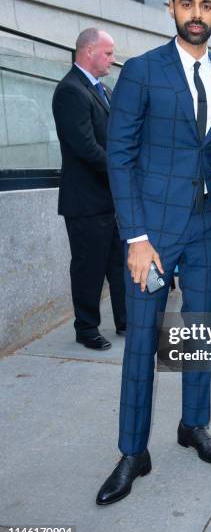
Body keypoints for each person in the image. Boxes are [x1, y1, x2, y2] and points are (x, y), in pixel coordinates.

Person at [97, 0, 211, 506]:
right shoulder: (141, 70)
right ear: (172, 7)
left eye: (206, 5)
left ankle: (194, 425)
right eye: (187, 3)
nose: (197, 14)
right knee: (141, 343)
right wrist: (135, 237)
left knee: (200, 333)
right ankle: (133, 451)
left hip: (206, 231)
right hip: (152, 237)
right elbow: (120, 155)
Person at [52, 28, 126, 351]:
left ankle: (126, 322)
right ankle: (86, 327)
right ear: (89, 51)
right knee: (88, 269)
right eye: (108, 53)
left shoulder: (103, 89)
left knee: (119, 267)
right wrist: (120, 170)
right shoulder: (70, 91)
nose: (113, 59)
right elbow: (85, 147)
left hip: (109, 199)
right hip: (85, 202)